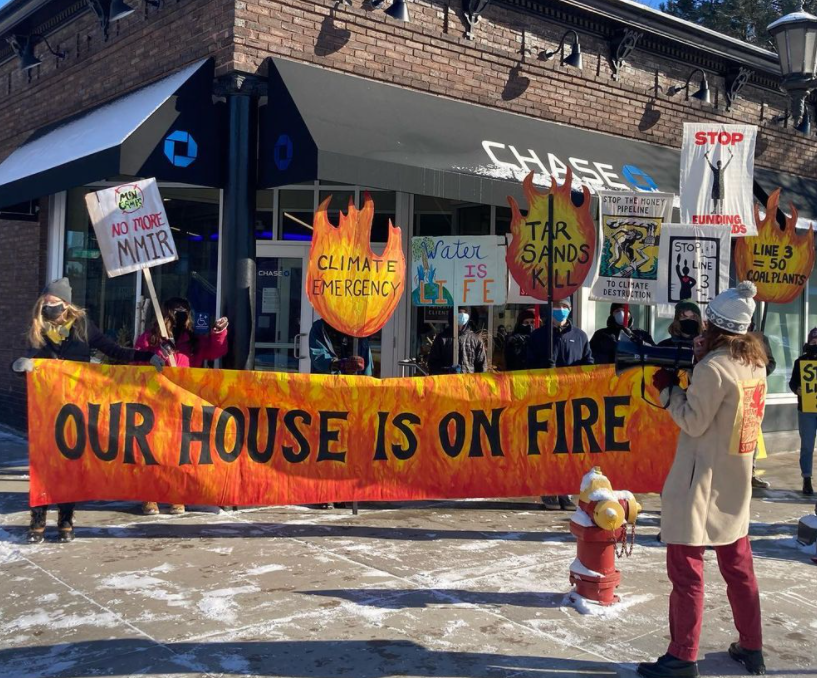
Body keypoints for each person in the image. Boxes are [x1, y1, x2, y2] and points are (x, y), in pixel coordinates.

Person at [639, 281, 767, 678]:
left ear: (716, 327)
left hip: (699, 485)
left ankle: (682, 656)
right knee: (739, 570)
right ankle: (752, 646)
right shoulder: (754, 363)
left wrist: (667, 392)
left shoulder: (714, 367)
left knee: (687, 574)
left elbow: (693, 421)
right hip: (733, 483)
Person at [12, 278, 163, 544]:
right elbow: (29, 362)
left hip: (75, 407)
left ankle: (66, 520)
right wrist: (22, 365)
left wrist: (145, 356)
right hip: (45, 408)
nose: (49, 308)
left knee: (69, 465)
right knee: (44, 466)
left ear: (65, 304)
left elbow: (113, 350)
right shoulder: (37, 329)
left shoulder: (82, 327)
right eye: (45, 304)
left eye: (54, 304)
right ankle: (37, 520)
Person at [134, 297, 229, 515]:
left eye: (184, 312)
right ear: (166, 314)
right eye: (176, 311)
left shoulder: (193, 341)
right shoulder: (149, 339)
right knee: (154, 450)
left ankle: (176, 494)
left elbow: (216, 351)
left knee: (179, 450)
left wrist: (218, 332)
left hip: (183, 402)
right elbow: (137, 365)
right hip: (156, 401)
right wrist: (160, 354)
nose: (181, 316)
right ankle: (151, 496)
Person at [527, 298, 592, 510]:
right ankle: (549, 491)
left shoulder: (580, 337)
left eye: (564, 307)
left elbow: (589, 364)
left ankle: (566, 491)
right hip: (545, 400)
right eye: (557, 307)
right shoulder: (538, 336)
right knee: (547, 446)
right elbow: (525, 364)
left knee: (569, 448)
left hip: (572, 401)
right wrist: (542, 367)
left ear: (570, 310)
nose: (561, 311)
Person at [788, 328, 817, 497]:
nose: (816, 343)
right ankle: (807, 478)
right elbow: (792, 382)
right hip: (806, 409)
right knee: (807, 446)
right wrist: (796, 389)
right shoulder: (801, 362)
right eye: (813, 341)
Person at [748, 320, 776, 490]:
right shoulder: (725, 337)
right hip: (731, 391)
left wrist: (758, 371)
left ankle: (750, 473)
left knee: (751, 434)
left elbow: (771, 362)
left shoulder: (760, 339)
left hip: (753, 392)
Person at [590, 303, 655, 365]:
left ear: (629, 314)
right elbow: (592, 358)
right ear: (612, 314)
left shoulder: (641, 335)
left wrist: (633, 338)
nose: (621, 314)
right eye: (617, 311)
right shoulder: (601, 335)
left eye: (624, 310)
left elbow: (653, 353)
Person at [427, 307, 487, 375]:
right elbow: (433, 365)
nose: (462, 315)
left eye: (464, 313)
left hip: (469, 383)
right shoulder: (441, 339)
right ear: (452, 315)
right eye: (459, 312)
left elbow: (482, 367)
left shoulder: (476, 339)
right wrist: (447, 371)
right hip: (447, 383)